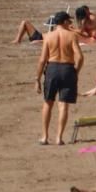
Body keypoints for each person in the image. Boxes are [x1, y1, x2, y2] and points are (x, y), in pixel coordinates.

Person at [36, 11, 84, 145]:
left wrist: (37, 79)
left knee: (48, 102)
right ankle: (59, 138)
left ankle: (45, 137)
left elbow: (42, 60)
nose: (70, 23)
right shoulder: (72, 35)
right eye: (69, 21)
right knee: (63, 105)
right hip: (67, 68)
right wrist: (76, 71)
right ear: (63, 22)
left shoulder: (48, 36)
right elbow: (80, 57)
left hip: (52, 68)